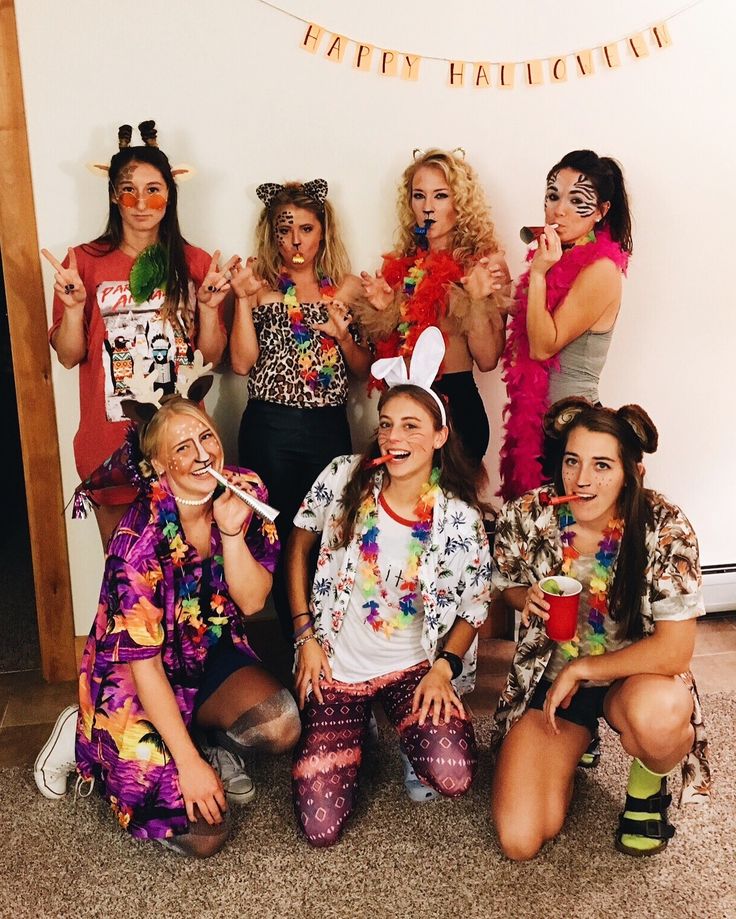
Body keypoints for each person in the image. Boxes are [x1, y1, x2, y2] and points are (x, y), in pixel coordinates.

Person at [34, 391, 301, 858]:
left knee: (280, 724)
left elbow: (254, 599)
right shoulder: (135, 542)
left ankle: (198, 732)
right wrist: (191, 766)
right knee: (204, 836)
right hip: (139, 679)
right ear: (159, 466)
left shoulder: (243, 490)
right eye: (182, 448)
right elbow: (146, 667)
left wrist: (233, 534)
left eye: (206, 436)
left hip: (208, 652)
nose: (202, 454)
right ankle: (88, 732)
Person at [287, 327, 491, 847]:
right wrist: (304, 638)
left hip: (411, 668)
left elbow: (474, 605)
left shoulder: (460, 520)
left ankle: (402, 727)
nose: (394, 438)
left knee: (454, 774)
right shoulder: (343, 477)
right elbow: (298, 547)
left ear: (440, 435)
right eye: (386, 426)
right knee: (319, 829)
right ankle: (359, 726)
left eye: (410, 426)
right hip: (336, 664)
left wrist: (444, 668)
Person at [490, 397, 710, 861]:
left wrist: (586, 667)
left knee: (661, 716)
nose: (582, 479)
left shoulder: (665, 528)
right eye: (572, 461)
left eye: (602, 465)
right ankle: (572, 747)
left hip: (634, 679)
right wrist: (521, 597)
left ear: (632, 473)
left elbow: (676, 652)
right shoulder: (531, 514)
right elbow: (505, 582)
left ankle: (647, 788)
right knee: (520, 838)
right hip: (554, 684)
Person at [43, 120, 237, 545]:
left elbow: (212, 356)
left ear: (171, 192)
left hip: (183, 445)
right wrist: (75, 309)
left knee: (190, 577)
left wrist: (206, 308)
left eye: (154, 189)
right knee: (126, 579)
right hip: (111, 445)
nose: (141, 203)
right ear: (114, 195)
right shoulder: (82, 262)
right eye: (129, 190)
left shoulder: (197, 262)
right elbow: (68, 355)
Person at [229, 179, 372, 639]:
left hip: (327, 427)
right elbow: (240, 362)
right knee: (276, 531)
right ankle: (291, 638)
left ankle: (324, 639)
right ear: (271, 234)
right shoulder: (259, 287)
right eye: (284, 230)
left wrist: (341, 335)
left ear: (323, 233)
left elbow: (362, 368)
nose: (295, 241)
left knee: (327, 531)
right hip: (270, 426)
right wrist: (244, 300)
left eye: (306, 229)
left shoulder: (346, 290)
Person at [356, 148, 510, 469]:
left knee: (446, 514)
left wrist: (477, 302)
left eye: (440, 196)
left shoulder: (483, 264)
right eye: (419, 196)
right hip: (404, 407)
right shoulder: (404, 267)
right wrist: (383, 312)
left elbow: (487, 359)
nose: (428, 207)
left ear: (460, 202)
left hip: (455, 409)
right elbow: (389, 350)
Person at [499, 149, 632, 501]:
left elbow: (544, 344)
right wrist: (490, 294)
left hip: (574, 432)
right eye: (553, 196)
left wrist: (539, 272)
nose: (559, 210)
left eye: (577, 200)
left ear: (602, 211)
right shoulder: (561, 258)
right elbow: (528, 321)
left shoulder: (602, 270)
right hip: (534, 425)